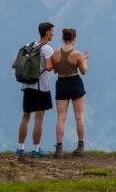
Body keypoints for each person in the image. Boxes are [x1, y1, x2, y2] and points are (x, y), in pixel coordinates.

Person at [16, 21, 56, 158]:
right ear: (47, 32)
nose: (53, 33)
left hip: (27, 86)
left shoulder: (29, 46)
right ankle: (36, 149)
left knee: (25, 116)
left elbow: (14, 64)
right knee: (39, 119)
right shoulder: (47, 48)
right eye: (52, 31)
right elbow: (50, 67)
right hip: (41, 87)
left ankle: (20, 148)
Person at [50, 26, 90, 156]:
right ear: (74, 38)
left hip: (61, 83)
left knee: (61, 118)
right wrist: (85, 59)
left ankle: (59, 148)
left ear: (63, 38)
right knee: (79, 117)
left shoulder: (55, 53)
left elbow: (55, 69)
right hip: (75, 83)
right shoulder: (77, 54)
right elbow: (83, 71)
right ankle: (80, 147)